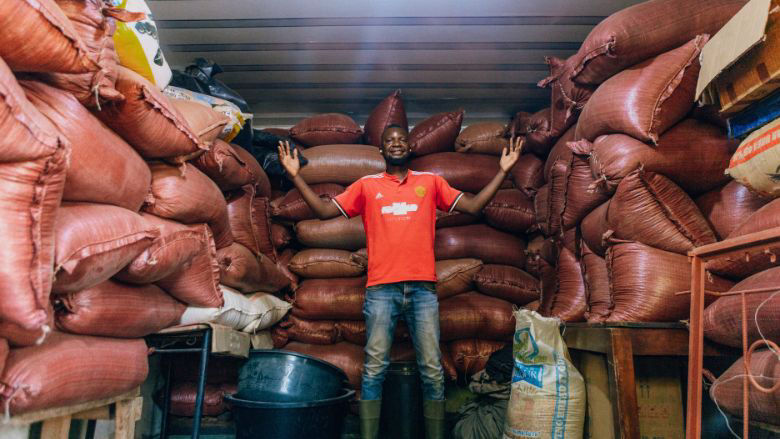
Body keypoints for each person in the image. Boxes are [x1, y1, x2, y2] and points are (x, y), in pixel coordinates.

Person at [278, 125, 522, 439]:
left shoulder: (430, 183)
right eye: (389, 140)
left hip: (422, 289)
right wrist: (295, 176)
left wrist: (503, 171)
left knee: (432, 369)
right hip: (381, 289)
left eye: (401, 140)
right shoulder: (367, 186)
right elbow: (324, 211)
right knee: (375, 367)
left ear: (410, 147)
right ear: (381, 150)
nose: (396, 144)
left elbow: (474, 206)